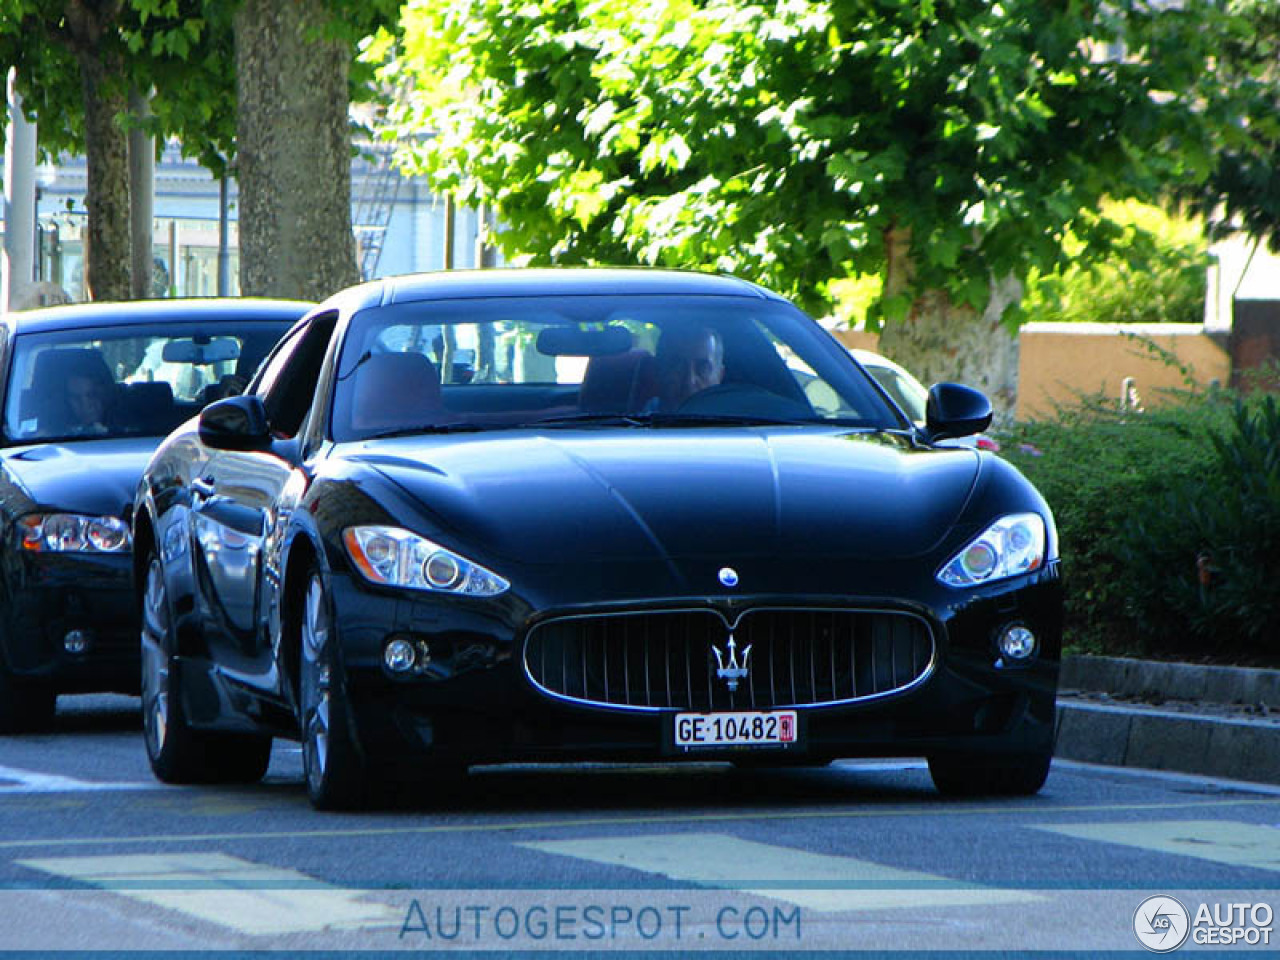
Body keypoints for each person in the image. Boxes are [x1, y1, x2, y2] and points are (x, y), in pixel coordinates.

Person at [651, 325, 725, 411]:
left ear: (720, 375)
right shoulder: (636, 421)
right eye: (678, 367)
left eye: (703, 368)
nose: (689, 381)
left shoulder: (736, 422)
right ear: (658, 371)